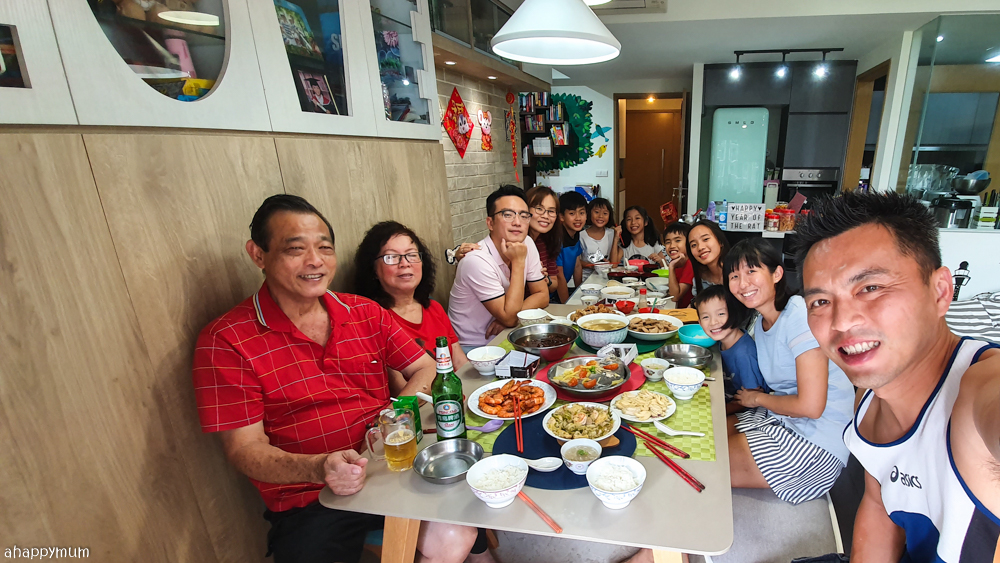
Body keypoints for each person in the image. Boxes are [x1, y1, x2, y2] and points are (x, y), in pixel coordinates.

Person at [192, 195, 485, 563]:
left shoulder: (364, 312)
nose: (315, 260)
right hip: (308, 496)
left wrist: (395, 414)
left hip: (389, 467)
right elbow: (244, 449)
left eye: (324, 248)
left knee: (457, 531)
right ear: (258, 254)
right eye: (295, 248)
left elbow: (425, 368)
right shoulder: (226, 340)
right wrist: (319, 467)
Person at [796, 191, 1000, 562]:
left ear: (940, 291)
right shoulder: (870, 402)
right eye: (820, 302)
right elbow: (879, 508)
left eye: (870, 288)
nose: (841, 321)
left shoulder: (979, 388)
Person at [724, 237, 855, 504]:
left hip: (816, 440)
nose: (743, 284)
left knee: (709, 461)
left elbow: (811, 407)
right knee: (711, 432)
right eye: (734, 276)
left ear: (777, 274)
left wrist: (756, 399)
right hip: (784, 417)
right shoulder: (761, 323)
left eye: (751, 271)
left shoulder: (798, 316)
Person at [352, 221, 467, 395]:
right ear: (373, 269)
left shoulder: (434, 308)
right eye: (392, 257)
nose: (405, 263)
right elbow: (403, 391)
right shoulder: (376, 321)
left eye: (411, 255)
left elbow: (460, 363)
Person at [448, 185, 548, 350]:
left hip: (509, 334)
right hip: (475, 347)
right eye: (507, 215)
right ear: (490, 223)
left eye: (524, 216)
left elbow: (542, 294)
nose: (517, 222)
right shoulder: (476, 260)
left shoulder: (526, 243)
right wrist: (518, 262)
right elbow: (510, 318)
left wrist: (510, 317)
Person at [693, 285, 768, 414]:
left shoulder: (744, 354)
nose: (713, 322)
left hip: (748, 412)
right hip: (725, 397)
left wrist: (716, 412)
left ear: (735, 314)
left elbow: (750, 399)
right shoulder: (723, 341)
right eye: (706, 317)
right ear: (699, 322)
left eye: (721, 314)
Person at [525, 186, 565, 302]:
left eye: (551, 211)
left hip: (537, 305)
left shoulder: (546, 242)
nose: (545, 216)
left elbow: (554, 284)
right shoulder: (515, 243)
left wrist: (546, 279)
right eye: (539, 209)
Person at [555, 191, 588, 298]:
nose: (578, 218)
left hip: (563, 289)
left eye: (581, 213)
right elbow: (559, 276)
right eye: (572, 214)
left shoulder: (576, 234)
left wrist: (580, 293)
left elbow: (577, 265)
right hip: (551, 295)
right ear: (561, 217)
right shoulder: (557, 239)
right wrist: (567, 304)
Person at [580, 197, 621, 280]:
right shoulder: (581, 235)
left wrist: (616, 238)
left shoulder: (612, 234)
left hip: (606, 278)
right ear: (589, 213)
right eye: (596, 212)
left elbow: (614, 264)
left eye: (605, 213)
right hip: (586, 279)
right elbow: (576, 262)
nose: (601, 216)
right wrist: (593, 266)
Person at [688, 220, 729, 297]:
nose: (700, 247)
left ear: (720, 241)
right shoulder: (700, 278)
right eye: (694, 245)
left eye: (705, 239)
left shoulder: (737, 272)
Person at [662, 221, 695, 307]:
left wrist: (671, 267)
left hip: (688, 312)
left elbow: (675, 297)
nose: (672, 246)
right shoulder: (678, 261)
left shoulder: (690, 264)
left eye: (677, 240)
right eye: (668, 242)